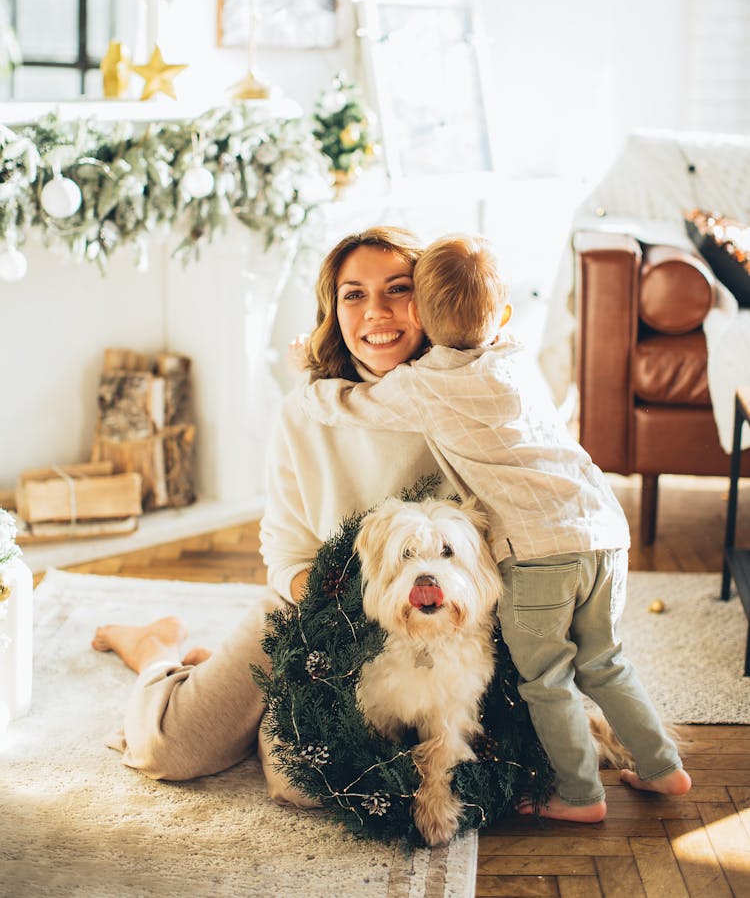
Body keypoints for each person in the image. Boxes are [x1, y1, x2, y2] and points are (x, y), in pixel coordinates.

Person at [299, 232, 692, 822]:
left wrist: (304, 376)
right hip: (604, 531)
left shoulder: (424, 383)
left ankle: (581, 796)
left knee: (547, 678)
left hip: (540, 554)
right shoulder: (513, 357)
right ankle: (664, 768)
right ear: (503, 316)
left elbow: (349, 405)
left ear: (419, 318)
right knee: (606, 662)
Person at [91, 225, 455, 789]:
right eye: (354, 294)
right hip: (314, 610)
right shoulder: (304, 411)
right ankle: (156, 651)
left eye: (398, 288)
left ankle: (230, 684)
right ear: (333, 313)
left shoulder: (467, 403)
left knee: (302, 784)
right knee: (171, 750)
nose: (376, 312)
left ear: (431, 297)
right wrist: (346, 619)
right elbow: (285, 551)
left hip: (431, 627)